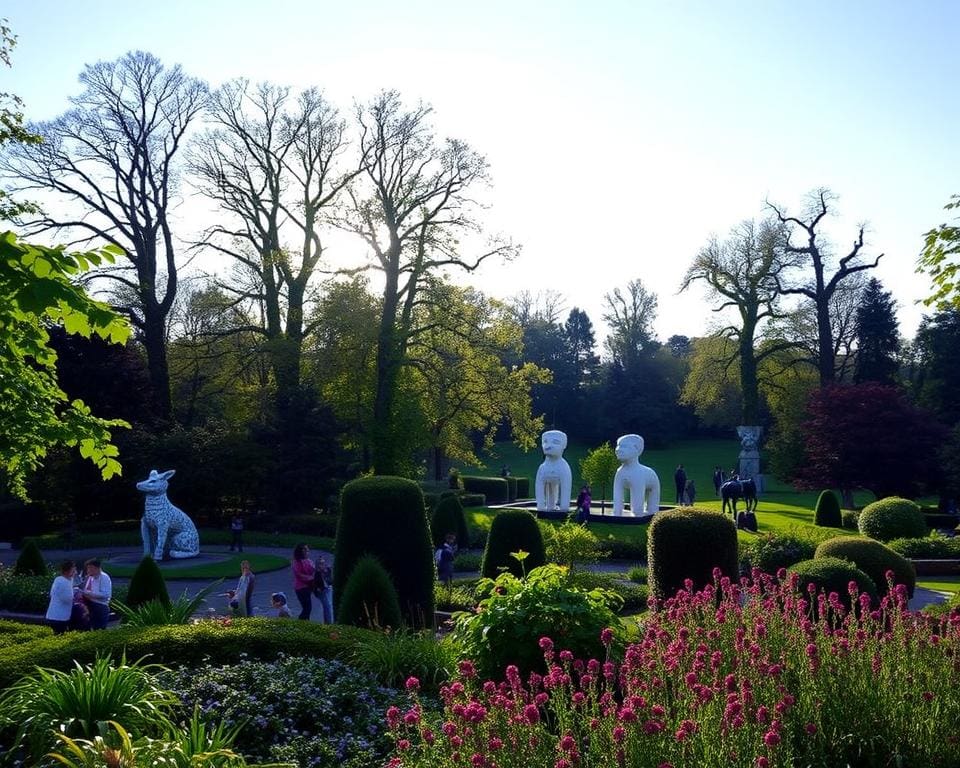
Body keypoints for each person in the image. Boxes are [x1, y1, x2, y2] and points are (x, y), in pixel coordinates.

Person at [46, 560, 76, 635]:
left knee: (57, 634)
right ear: (67, 571)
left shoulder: (58, 579)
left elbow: (52, 594)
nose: (75, 572)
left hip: (53, 615)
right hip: (59, 617)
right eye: (73, 570)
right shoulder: (64, 582)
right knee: (59, 635)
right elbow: (68, 598)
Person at [82, 558, 112, 630]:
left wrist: (89, 594)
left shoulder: (104, 577)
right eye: (87, 569)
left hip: (101, 606)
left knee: (100, 629)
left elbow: (105, 595)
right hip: (91, 605)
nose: (88, 571)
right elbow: (85, 590)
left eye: (90, 568)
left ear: (97, 568)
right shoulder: (90, 577)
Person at [291, 543, 315, 620]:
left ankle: (305, 622)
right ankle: (302, 621)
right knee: (307, 607)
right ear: (302, 551)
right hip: (301, 587)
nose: (308, 552)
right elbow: (299, 575)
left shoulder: (309, 561)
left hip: (308, 587)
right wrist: (311, 578)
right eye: (306, 550)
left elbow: (313, 570)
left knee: (307, 607)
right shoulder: (297, 562)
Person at [313, 555, 334, 624]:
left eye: (323, 563)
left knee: (328, 606)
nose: (322, 565)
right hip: (322, 591)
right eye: (320, 564)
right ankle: (328, 622)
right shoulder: (317, 573)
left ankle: (327, 622)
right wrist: (318, 589)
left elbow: (330, 581)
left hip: (327, 589)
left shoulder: (327, 571)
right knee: (327, 606)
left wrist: (328, 572)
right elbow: (315, 584)